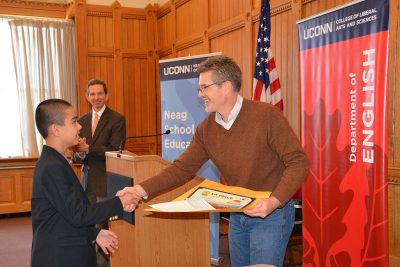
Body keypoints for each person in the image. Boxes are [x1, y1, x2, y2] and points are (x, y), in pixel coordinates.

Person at [118, 55, 310, 267]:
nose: (200, 95)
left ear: (226, 87)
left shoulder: (267, 116)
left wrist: (273, 201)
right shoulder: (206, 129)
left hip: (272, 214)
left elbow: (299, 162)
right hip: (238, 214)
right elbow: (181, 168)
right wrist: (138, 190)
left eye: (204, 88)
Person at [31, 99, 138, 267]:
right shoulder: (51, 166)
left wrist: (93, 233)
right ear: (56, 130)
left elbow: (64, 214)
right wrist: (121, 202)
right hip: (60, 258)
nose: (80, 126)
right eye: (74, 121)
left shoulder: (55, 161)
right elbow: (79, 214)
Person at [72, 79, 126, 204]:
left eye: (100, 93)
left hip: (106, 182)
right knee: (87, 221)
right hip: (86, 183)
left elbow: (116, 151)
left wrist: (88, 148)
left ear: (107, 96)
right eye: (92, 94)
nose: (96, 97)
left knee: (103, 223)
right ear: (87, 97)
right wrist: (80, 152)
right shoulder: (81, 121)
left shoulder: (117, 119)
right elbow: (76, 156)